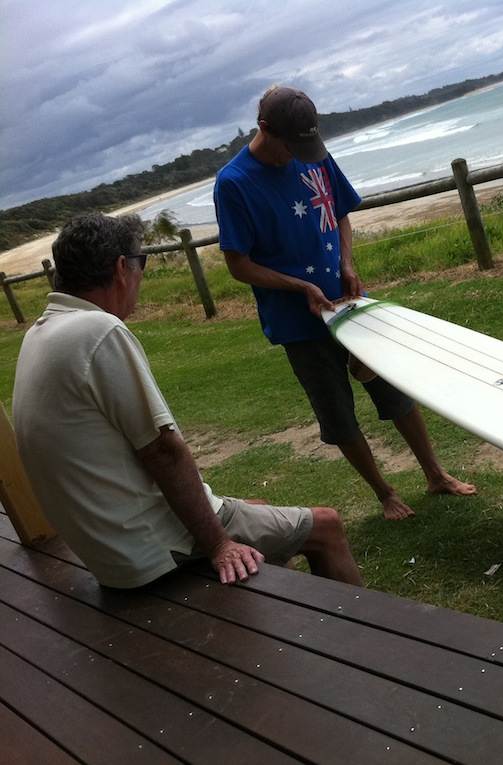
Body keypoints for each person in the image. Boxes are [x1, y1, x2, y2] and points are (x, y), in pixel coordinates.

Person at [12, 212, 362, 589]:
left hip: (109, 553)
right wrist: (219, 544)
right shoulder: (98, 331)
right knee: (327, 526)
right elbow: (163, 451)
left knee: (259, 510)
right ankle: (359, 624)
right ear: (121, 268)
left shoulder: (41, 335)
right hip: (151, 550)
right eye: (141, 263)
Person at [213, 85, 475, 521]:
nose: (297, 156)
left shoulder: (311, 153)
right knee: (337, 411)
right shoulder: (234, 183)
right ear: (264, 128)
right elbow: (238, 264)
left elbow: (340, 214)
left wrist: (348, 263)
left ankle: (435, 474)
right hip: (298, 322)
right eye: (289, 147)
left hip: (349, 303)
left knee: (392, 387)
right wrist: (299, 287)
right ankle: (385, 493)